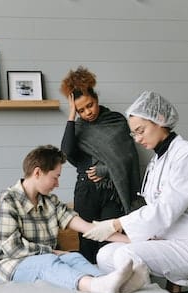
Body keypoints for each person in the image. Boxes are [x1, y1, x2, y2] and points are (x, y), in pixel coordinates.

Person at [82, 91, 188, 289]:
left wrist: (116, 224)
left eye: (141, 130)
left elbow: (166, 209)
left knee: (125, 255)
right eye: (134, 133)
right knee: (105, 255)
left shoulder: (186, 153)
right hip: (166, 242)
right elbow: (150, 209)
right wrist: (115, 231)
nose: (137, 139)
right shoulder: (156, 162)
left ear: (160, 119)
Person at [0, 145, 146, 293]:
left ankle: (118, 284)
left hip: (45, 258)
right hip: (8, 266)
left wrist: (133, 240)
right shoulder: (7, 200)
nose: (57, 184)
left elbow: (89, 229)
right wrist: (52, 251)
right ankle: (94, 285)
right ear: (37, 172)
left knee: (74, 258)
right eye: (55, 177)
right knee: (48, 261)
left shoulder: (50, 202)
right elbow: (13, 249)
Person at [60, 66, 141, 263]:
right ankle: (90, 288)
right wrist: (71, 115)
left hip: (112, 193)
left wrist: (104, 170)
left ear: (96, 100)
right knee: (87, 242)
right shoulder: (78, 127)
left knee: (110, 243)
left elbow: (127, 158)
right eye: (81, 110)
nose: (88, 112)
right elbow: (67, 151)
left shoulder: (116, 121)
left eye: (90, 105)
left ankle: (110, 287)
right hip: (86, 192)